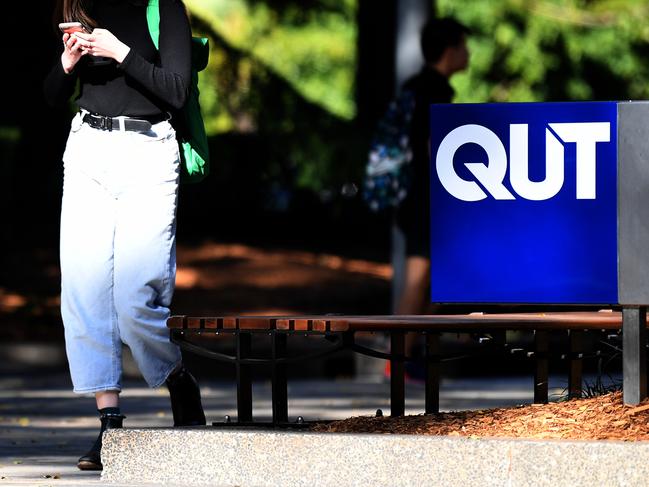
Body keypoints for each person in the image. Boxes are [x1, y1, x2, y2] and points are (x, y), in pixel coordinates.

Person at [43, 0, 205, 471]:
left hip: (148, 153)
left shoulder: (163, 7)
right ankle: (110, 426)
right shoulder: (79, 5)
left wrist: (121, 52)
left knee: (136, 297)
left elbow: (177, 91)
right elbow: (51, 95)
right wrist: (66, 64)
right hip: (88, 149)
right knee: (85, 289)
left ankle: (175, 375)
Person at [395, 17, 470, 377]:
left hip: (414, 194)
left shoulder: (418, 86)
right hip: (424, 197)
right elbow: (430, 146)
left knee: (430, 276)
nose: (468, 53)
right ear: (450, 50)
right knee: (419, 276)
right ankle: (399, 359)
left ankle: (409, 356)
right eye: (464, 46)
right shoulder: (433, 90)